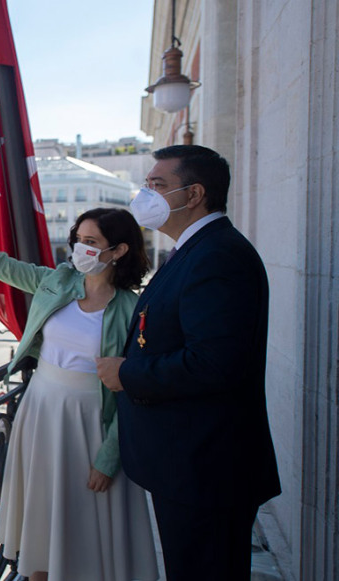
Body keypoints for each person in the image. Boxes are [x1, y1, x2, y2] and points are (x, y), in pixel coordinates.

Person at [0, 204, 157, 581]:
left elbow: (133, 392)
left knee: (88, 521)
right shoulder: (57, 281)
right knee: (43, 515)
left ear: (119, 251)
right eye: (78, 239)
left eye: (91, 242)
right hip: (42, 410)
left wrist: (109, 458)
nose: (80, 249)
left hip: (92, 421)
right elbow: (0, 264)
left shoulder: (132, 309)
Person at [96, 145, 281, 580]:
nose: (146, 195)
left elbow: (213, 362)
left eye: (157, 185)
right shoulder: (196, 250)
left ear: (194, 193)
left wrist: (126, 373)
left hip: (204, 467)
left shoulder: (217, 256)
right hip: (192, 463)